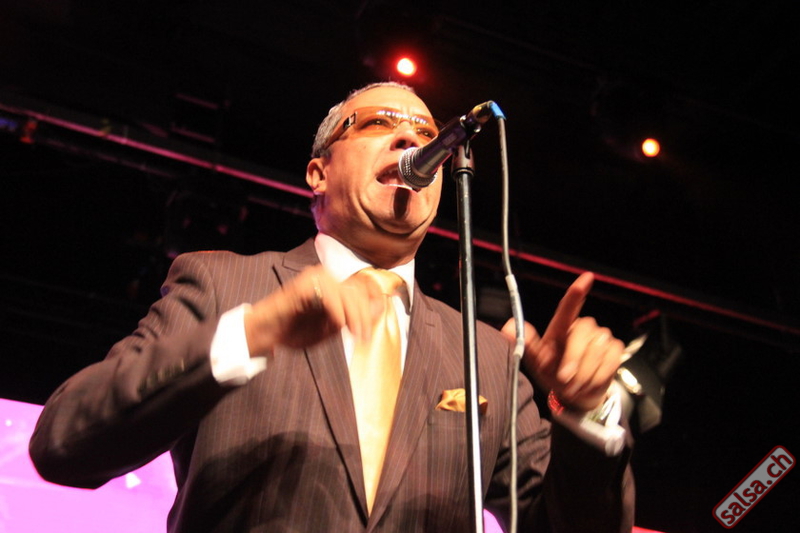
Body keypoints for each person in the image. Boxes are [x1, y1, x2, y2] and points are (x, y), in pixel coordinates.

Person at [29, 81, 634, 532]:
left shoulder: (485, 356)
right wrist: (256, 332)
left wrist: (586, 414)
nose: (411, 140)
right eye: (379, 123)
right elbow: (65, 445)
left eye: (426, 134)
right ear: (318, 172)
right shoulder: (224, 285)